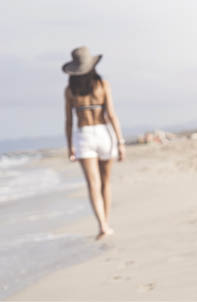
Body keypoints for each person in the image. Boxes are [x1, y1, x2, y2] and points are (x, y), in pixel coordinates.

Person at [62, 46, 126, 240]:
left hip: (84, 135)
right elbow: (112, 115)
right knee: (105, 182)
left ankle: (102, 224)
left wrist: (70, 146)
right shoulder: (102, 85)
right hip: (103, 133)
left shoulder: (70, 91)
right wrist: (120, 141)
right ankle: (105, 223)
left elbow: (68, 121)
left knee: (93, 184)